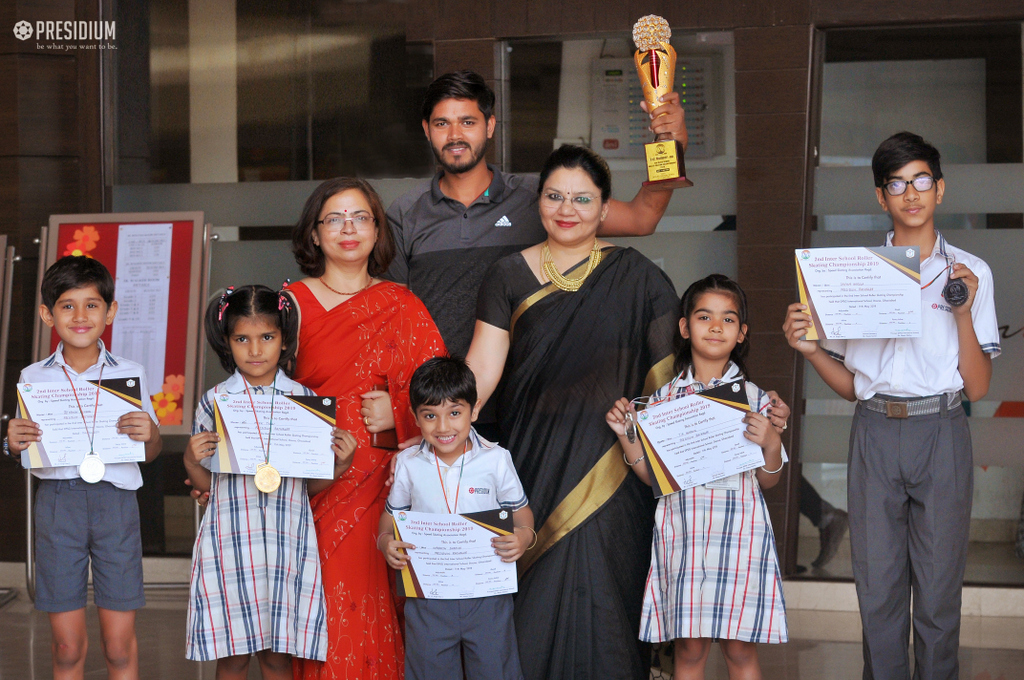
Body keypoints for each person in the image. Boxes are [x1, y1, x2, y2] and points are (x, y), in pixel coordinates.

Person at [783, 132, 1001, 680]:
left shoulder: (971, 272)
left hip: (943, 429)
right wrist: (810, 351)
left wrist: (961, 310)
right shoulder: (856, 277)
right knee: (877, 593)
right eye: (897, 184)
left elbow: (977, 388)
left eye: (922, 180)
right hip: (876, 431)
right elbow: (853, 383)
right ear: (881, 197)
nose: (911, 193)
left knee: (937, 596)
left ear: (940, 189)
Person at [465, 144, 680, 679]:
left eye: (583, 199)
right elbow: (482, 372)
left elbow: (670, 389)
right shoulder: (507, 275)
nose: (568, 209)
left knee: (610, 603)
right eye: (555, 196)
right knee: (533, 609)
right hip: (532, 463)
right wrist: (439, 426)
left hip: (615, 469)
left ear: (605, 209)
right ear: (538, 201)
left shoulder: (640, 279)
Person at [286, 177, 446, 680]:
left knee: (362, 597)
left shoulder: (402, 304)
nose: (348, 229)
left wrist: (397, 416)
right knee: (315, 603)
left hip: (378, 480)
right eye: (334, 218)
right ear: (314, 234)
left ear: (378, 231)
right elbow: (256, 388)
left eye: (360, 218)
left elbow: (442, 397)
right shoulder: (287, 304)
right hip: (304, 479)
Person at [607, 274, 788, 680]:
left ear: (741, 333)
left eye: (728, 319)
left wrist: (772, 443)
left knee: (740, 649)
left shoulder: (758, 400)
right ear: (685, 327)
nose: (716, 326)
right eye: (704, 316)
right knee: (689, 648)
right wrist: (627, 437)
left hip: (740, 538)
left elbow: (769, 481)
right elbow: (652, 477)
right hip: (684, 538)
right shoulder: (661, 402)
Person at [183, 285, 357, 678]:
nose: (255, 350)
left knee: (278, 655)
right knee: (232, 655)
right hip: (229, 541)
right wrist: (191, 458)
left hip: (285, 541)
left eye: (267, 337)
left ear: (284, 340)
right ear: (227, 343)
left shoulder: (305, 402)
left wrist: (341, 466)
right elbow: (205, 485)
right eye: (242, 338)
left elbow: (304, 486)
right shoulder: (215, 402)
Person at [5, 256, 162, 680]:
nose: (80, 316)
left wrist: (149, 433)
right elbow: (25, 449)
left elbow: (150, 452)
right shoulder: (33, 377)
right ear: (47, 314)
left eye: (92, 305)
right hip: (58, 505)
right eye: (67, 305)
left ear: (110, 312)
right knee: (67, 647)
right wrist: (12, 442)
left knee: (118, 648)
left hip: (116, 504)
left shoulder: (130, 374)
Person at [377, 356, 534, 680]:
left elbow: (521, 513)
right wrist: (385, 542)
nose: (444, 426)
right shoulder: (408, 463)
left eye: (455, 413)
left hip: (487, 596)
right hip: (428, 597)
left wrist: (523, 537)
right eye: (430, 416)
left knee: (496, 671)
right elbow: (389, 518)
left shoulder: (497, 459)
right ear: (415, 417)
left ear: (474, 410)